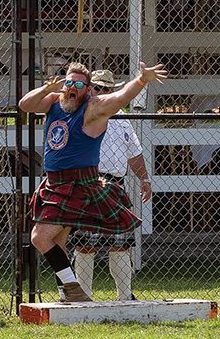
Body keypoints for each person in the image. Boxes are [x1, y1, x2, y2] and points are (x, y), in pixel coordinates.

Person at [18, 61, 167, 303]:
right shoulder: (56, 101)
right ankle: (68, 296)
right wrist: (47, 89)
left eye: (78, 84)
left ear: (88, 89)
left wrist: (141, 80)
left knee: (39, 238)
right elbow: (25, 105)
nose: (71, 87)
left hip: (79, 184)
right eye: (68, 82)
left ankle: (80, 290)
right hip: (54, 182)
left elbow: (120, 98)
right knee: (58, 242)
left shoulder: (93, 108)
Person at [70, 70, 152, 301]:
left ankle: (125, 295)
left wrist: (144, 179)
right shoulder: (81, 112)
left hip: (116, 183)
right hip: (88, 181)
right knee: (86, 242)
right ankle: (83, 295)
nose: (103, 92)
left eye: (108, 89)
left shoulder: (122, 117)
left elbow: (134, 152)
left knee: (121, 242)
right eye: (98, 87)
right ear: (89, 89)